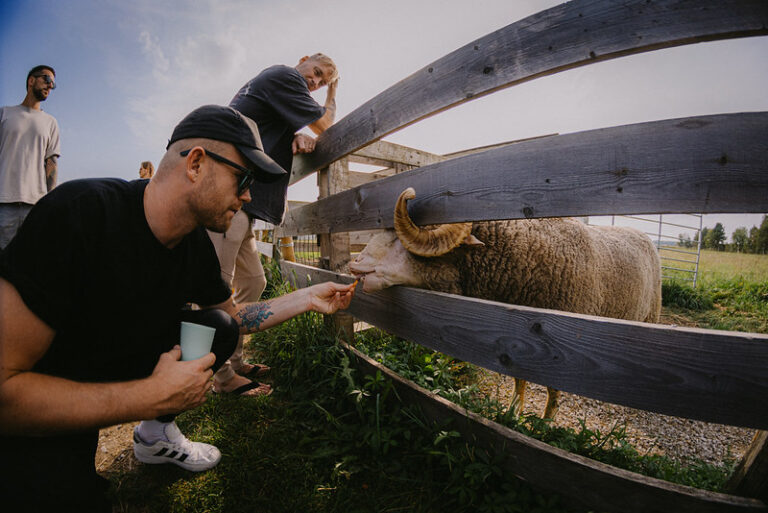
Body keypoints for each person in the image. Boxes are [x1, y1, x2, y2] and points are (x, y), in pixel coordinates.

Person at [0, 104, 355, 512]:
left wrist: (306, 298)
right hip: (43, 387)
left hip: (109, 355)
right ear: (197, 164)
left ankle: (154, 437)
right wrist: (146, 397)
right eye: (243, 178)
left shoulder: (194, 246)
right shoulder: (81, 212)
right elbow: (5, 392)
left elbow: (235, 318)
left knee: (217, 327)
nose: (248, 196)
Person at [209, 53, 339, 396]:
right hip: (227, 193)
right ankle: (221, 377)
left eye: (323, 81)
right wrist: (332, 95)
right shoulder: (285, 76)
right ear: (303, 61)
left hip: (244, 202)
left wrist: (294, 136)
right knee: (217, 291)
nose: (315, 82)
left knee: (254, 280)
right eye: (316, 73)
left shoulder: (278, 89)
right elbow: (327, 125)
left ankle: (234, 360)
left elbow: (271, 126)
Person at [0, 64, 60, 249]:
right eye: (47, 79)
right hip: (3, 203)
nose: (50, 86)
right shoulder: (4, 113)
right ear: (31, 80)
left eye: (53, 84)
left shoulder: (50, 122)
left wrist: (49, 202)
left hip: (36, 205)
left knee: (30, 263)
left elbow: (51, 163)